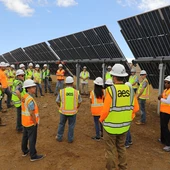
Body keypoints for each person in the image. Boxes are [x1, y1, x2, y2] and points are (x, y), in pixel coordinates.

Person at [99, 64, 139, 170]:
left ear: (114, 77)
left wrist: (101, 120)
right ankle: (123, 168)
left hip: (110, 127)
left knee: (110, 151)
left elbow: (105, 110)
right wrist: (128, 118)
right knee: (121, 148)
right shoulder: (130, 90)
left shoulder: (110, 91)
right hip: (125, 127)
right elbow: (136, 109)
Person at [21, 79, 45, 161]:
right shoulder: (30, 99)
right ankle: (33, 155)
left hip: (24, 121)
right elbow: (31, 113)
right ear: (28, 88)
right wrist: (35, 122)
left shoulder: (25, 97)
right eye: (33, 87)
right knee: (32, 139)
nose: (35, 88)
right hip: (31, 122)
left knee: (25, 137)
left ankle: (24, 151)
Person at [56, 76, 82, 143]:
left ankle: (59, 137)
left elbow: (57, 101)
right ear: (72, 83)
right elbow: (79, 102)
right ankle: (70, 139)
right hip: (73, 112)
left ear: (65, 83)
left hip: (63, 112)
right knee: (71, 126)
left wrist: (60, 106)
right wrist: (76, 107)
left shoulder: (62, 91)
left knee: (61, 124)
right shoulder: (76, 92)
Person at [125, 82, 139, 148]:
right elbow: (136, 108)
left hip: (128, 115)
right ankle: (129, 140)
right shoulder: (133, 96)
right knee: (128, 128)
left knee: (126, 129)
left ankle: (126, 143)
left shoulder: (129, 96)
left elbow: (136, 108)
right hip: (130, 115)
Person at [158, 76, 170, 152]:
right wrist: (161, 96)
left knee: (165, 127)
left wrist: (160, 98)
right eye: (165, 82)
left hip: (167, 112)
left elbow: (168, 101)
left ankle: (168, 144)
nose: (165, 84)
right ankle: (163, 139)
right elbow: (163, 96)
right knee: (162, 126)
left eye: (167, 82)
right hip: (163, 111)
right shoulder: (166, 90)